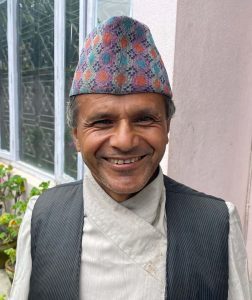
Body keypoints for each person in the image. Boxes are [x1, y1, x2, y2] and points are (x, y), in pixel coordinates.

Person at [10, 16, 251, 300]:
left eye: (145, 118)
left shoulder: (217, 224)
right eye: (102, 121)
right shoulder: (43, 217)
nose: (124, 141)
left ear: (166, 127)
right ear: (76, 135)